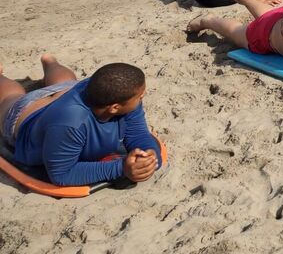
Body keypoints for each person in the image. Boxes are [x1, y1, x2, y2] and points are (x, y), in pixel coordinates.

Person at [0, 59, 162, 187]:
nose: (143, 96)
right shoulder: (70, 124)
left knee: (64, 83)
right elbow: (61, 174)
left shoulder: (115, 92)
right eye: (140, 96)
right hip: (28, 112)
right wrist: (122, 168)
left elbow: (138, 133)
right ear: (114, 108)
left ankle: (49, 61)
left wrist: (149, 155)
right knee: (11, 96)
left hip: (66, 92)